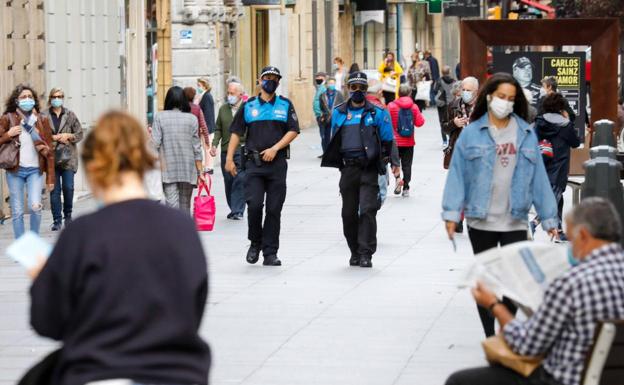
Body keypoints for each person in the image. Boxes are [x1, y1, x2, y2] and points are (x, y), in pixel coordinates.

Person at [26, 110, 211, 385]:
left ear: (94, 167)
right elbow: (192, 310)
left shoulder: (82, 234)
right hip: (177, 374)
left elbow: (48, 322)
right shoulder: (182, 229)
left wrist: (44, 280)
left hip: (99, 372)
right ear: (143, 160)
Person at [446, 197, 624, 385]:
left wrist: (494, 304)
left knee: (459, 381)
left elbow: (527, 345)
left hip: (564, 379)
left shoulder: (572, 283)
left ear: (584, 236)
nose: (571, 248)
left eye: (571, 240)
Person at [442, 73, 559, 337]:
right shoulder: (472, 133)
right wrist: (451, 214)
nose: (505, 102)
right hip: (480, 217)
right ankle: (490, 336)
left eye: (511, 98)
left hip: (515, 217)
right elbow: (458, 175)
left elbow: (538, 177)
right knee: (487, 279)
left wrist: (550, 218)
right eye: (500, 97)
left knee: (513, 280)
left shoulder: (526, 133)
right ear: (489, 97)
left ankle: (507, 330)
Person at [226, 66, 299, 267]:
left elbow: (293, 130)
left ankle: (270, 252)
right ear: (259, 80)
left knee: (274, 209)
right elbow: (235, 132)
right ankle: (255, 242)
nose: (271, 81)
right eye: (267, 77)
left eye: (275, 78)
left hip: (276, 165)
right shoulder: (249, 106)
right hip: (254, 165)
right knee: (255, 205)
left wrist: (275, 148)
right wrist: (229, 159)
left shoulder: (285, 105)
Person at [321, 71, 394, 268]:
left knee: (368, 211)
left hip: (369, 169)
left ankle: (365, 253)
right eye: (354, 87)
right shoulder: (339, 112)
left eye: (362, 88)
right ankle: (354, 250)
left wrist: (389, 164)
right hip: (348, 169)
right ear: (348, 88)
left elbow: (388, 140)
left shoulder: (377, 113)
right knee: (348, 214)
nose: (358, 91)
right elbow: (332, 139)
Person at [0, 84, 54, 239]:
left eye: (30, 97)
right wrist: (8, 134)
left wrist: (51, 178)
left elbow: (49, 151)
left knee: (35, 207)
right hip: (15, 170)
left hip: (35, 170)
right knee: (17, 211)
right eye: (23, 97)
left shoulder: (41, 119)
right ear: (16, 101)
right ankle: (21, 245)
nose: (27, 99)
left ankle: (33, 241)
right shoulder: (7, 118)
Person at [531, 93, 581, 239]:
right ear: (561, 107)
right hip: (559, 168)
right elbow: (576, 143)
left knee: (557, 200)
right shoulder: (565, 125)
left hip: (542, 166)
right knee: (553, 200)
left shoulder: (539, 122)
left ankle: (558, 232)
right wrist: (567, 119)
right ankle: (534, 223)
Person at [152, 86, 205, 213]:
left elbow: (154, 144)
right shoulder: (192, 119)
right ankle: (184, 230)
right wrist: (200, 172)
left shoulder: (159, 117)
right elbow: (196, 148)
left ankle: (174, 230)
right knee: (185, 205)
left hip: (167, 170)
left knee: (172, 206)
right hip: (188, 169)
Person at [42, 87, 83, 231]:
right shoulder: (44, 115)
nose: (57, 99)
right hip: (51, 158)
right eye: (54, 96)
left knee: (68, 187)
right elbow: (39, 136)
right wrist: (54, 138)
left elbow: (79, 133)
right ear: (50, 98)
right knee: (54, 191)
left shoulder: (70, 115)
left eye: (60, 96)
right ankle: (57, 220)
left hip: (68, 158)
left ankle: (68, 215)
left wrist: (69, 136)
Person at [442, 76, 479, 234]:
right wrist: (454, 124)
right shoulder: (453, 105)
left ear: (476, 92)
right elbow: (444, 127)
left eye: (468, 90)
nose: (465, 93)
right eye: (463, 90)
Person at [211, 82, 246, 221]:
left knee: (240, 179)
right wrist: (214, 144)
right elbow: (218, 127)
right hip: (226, 150)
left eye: (232, 93)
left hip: (241, 149)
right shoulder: (223, 109)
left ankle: (238, 210)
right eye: (228, 93)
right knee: (229, 181)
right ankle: (233, 208)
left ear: (240, 94)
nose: (229, 96)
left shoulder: (246, 108)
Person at [387, 84, 425, 197]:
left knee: (395, 163)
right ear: (410, 94)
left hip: (394, 142)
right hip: (409, 142)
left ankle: (398, 179)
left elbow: (386, 123)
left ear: (398, 93)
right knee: (407, 165)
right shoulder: (414, 107)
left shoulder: (391, 106)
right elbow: (420, 123)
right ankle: (406, 187)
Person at [319, 77, 344, 154]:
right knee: (325, 137)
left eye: (333, 83)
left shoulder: (339, 94)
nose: (331, 85)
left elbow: (342, 105)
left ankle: (335, 152)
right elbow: (321, 107)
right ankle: (326, 152)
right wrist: (322, 116)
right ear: (327, 84)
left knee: (335, 135)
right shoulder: (322, 95)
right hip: (326, 119)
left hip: (336, 118)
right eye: (330, 83)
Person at [184, 86, 211, 158]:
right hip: (195, 140)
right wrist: (207, 141)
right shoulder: (197, 108)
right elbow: (203, 125)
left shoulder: (181, 108)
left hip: (183, 140)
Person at [433, 66, 457, 147]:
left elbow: (434, 90)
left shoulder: (439, 80)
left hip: (441, 104)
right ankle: (451, 137)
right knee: (451, 120)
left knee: (442, 122)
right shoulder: (454, 81)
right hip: (452, 104)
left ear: (442, 72)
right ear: (449, 72)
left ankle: (444, 141)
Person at [197, 77, 216, 174]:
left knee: (207, 147)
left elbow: (208, 114)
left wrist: (205, 129)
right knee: (206, 147)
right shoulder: (204, 95)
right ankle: (208, 166)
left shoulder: (207, 96)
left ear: (204, 86)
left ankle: (209, 167)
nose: (198, 87)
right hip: (206, 127)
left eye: (199, 85)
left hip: (208, 128)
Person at [313, 72, 328, 156]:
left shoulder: (324, 89)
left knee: (324, 134)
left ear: (324, 78)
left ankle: (326, 153)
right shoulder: (319, 88)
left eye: (320, 77)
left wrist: (323, 114)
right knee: (322, 134)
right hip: (318, 115)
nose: (317, 78)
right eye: (317, 77)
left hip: (322, 116)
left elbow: (325, 103)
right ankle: (324, 152)